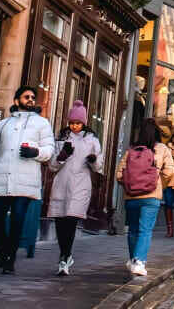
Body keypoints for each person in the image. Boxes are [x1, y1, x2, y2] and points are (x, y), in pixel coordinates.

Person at [0, 84, 54, 275]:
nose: (31, 99)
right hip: (2, 177)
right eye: (26, 97)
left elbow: (49, 149)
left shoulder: (42, 123)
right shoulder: (3, 124)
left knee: (17, 220)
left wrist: (36, 152)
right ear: (17, 101)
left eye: (33, 97)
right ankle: (3, 250)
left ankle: (10, 259)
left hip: (25, 180)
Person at [46, 102, 102, 276]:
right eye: (72, 123)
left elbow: (99, 165)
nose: (75, 126)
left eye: (78, 123)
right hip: (61, 184)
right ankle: (66, 254)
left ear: (84, 122)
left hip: (80, 185)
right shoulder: (62, 139)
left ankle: (64, 257)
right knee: (60, 223)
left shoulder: (92, 140)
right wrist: (62, 155)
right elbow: (52, 166)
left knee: (70, 221)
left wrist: (93, 160)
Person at [116, 118, 172, 278]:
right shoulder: (162, 149)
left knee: (133, 229)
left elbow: (119, 175)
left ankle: (133, 259)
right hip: (151, 197)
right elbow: (169, 172)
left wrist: (130, 184)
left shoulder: (131, 150)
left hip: (131, 197)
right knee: (145, 230)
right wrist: (159, 184)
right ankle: (139, 262)